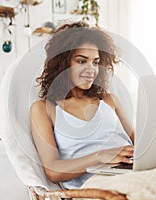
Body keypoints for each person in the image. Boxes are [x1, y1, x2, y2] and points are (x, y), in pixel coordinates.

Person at [30, 21, 135, 189]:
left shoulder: (109, 100)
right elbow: (53, 171)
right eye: (81, 61)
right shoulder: (44, 109)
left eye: (95, 62)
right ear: (62, 63)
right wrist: (100, 156)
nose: (91, 69)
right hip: (97, 188)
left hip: (133, 176)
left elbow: (140, 144)